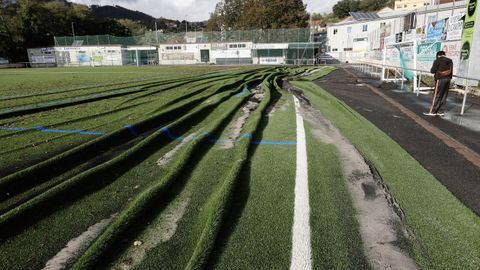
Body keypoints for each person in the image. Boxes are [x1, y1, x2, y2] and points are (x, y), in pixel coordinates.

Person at [424, 51, 453, 116]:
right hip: (448, 79)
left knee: (437, 95)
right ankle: (441, 111)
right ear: (444, 55)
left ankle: (433, 112)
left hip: (440, 79)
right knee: (444, 95)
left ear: (437, 55)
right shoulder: (450, 60)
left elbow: (432, 71)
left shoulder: (437, 60)